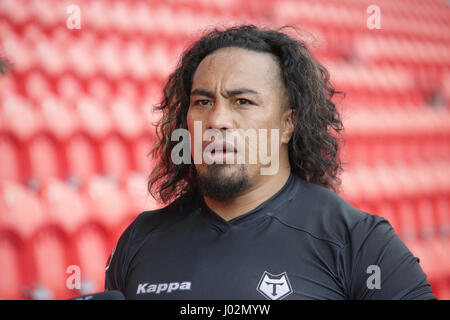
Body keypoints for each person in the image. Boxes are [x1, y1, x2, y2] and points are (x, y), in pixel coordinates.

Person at [105, 25, 436, 300]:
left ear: (287, 124)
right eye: (203, 101)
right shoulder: (140, 239)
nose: (217, 119)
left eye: (243, 101)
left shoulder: (359, 243)